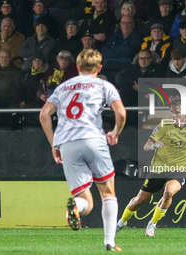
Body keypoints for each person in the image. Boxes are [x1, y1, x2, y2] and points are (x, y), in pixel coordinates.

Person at [39, 49, 126, 251]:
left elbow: (44, 115)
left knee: (85, 199)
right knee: (107, 193)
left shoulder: (63, 87)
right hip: (94, 139)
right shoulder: (105, 85)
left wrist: (54, 144)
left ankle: (75, 208)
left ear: (76, 67)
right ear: (100, 68)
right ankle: (109, 242)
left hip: (68, 144)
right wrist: (116, 132)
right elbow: (120, 112)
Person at [116, 96, 186, 236]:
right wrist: (154, 146)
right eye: (171, 112)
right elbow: (146, 146)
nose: (173, 115)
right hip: (159, 168)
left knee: (169, 191)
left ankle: (152, 224)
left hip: (180, 169)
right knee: (140, 200)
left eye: (176, 112)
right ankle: (122, 222)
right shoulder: (164, 125)